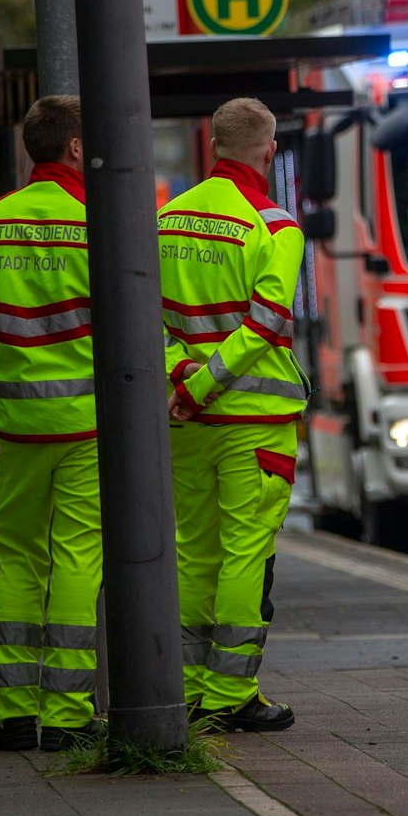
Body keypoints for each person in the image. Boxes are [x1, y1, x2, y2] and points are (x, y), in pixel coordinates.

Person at [0, 95, 104, 753]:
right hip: (86, 427)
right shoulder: (98, 223)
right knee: (76, 559)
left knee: (17, 561)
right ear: (72, 149)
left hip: (16, 431)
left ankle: (11, 713)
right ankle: (67, 716)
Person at [160, 97, 308, 733]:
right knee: (247, 554)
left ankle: (190, 691)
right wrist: (209, 386)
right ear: (268, 151)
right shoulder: (276, 229)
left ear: (212, 144)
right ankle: (230, 696)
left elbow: (146, 317)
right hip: (253, 422)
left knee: (194, 553)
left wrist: (182, 381)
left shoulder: (165, 220)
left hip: (185, 421)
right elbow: (268, 324)